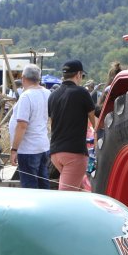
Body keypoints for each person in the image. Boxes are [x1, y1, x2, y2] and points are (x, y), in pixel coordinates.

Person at [48, 60, 94, 192]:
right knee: (66, 195)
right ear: (78, 74)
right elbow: (95, 121)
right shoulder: (82, 92)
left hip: (55, 153)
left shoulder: (53, 95)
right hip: (74, 153)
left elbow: (52, 124)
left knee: (80, 189)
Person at [7, 65, 52, 189]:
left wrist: (14, 149)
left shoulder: (26, 96)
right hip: (43, 145)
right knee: (43, 184)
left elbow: (22, 125)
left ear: (23, 78)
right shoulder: (47, 93)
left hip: (28, 149)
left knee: (30, 188)